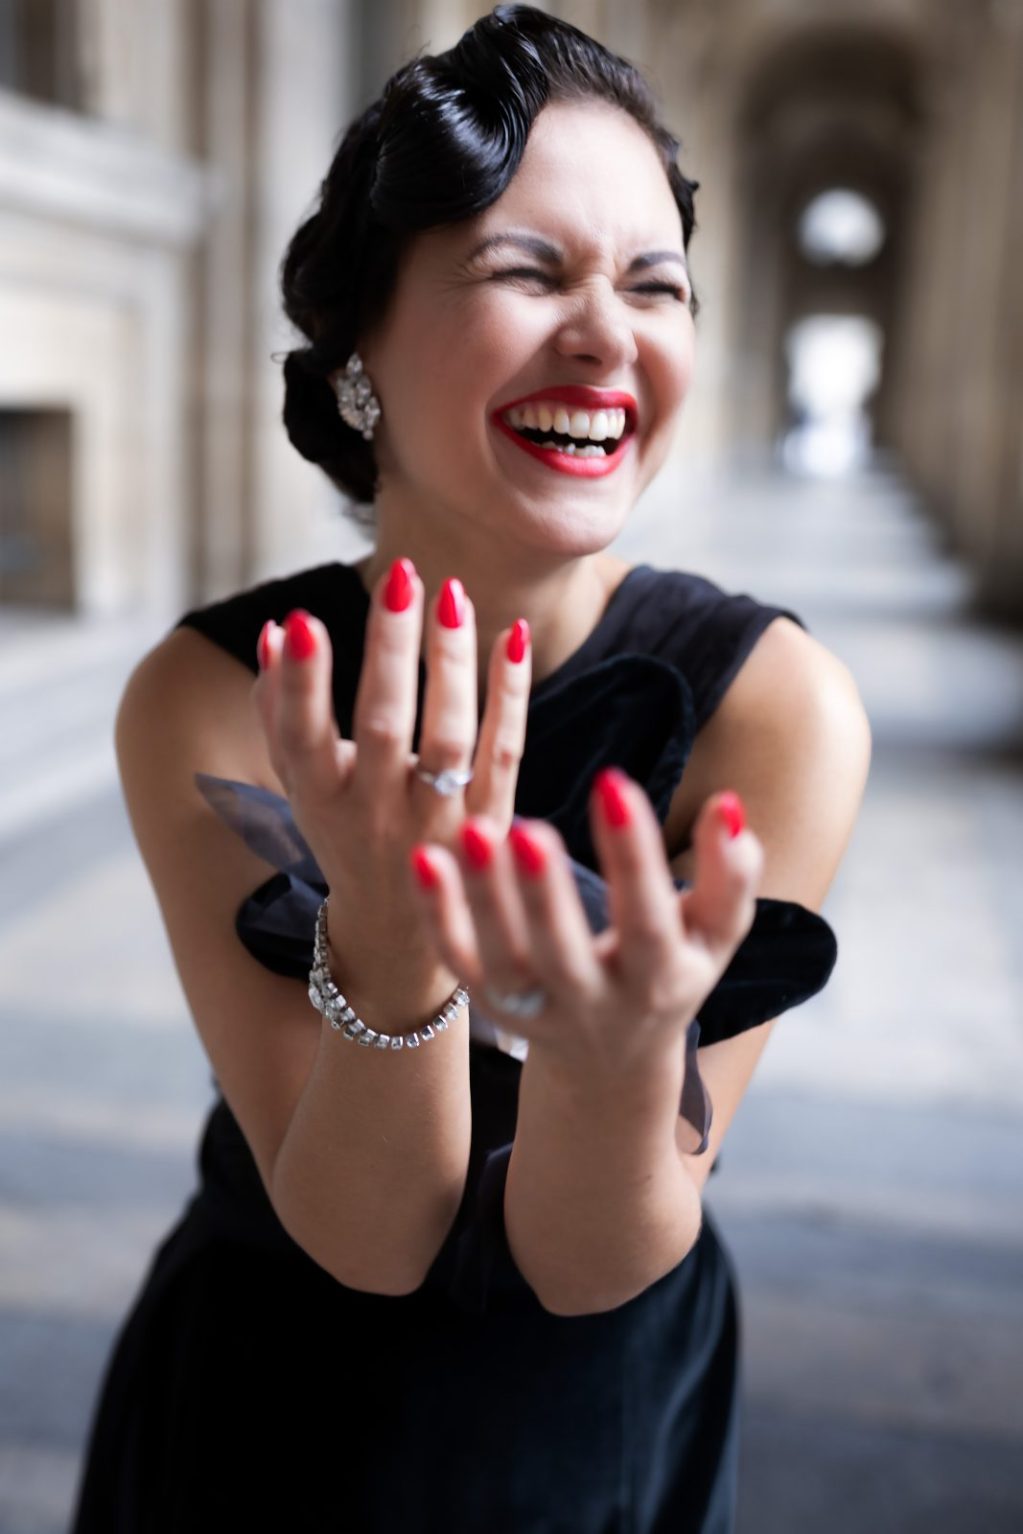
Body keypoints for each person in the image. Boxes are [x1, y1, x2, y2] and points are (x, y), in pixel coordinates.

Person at [69, 6, 870, 1531]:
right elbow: (368, 1238)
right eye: (528, 271)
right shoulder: (217, 695)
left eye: (655, 284)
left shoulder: (780, 709)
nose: (608, 336)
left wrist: (614, 1055)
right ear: (359, 355)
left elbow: (587, 1260)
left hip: (592, 1420)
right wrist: (391, 943)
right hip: (261, 1408)